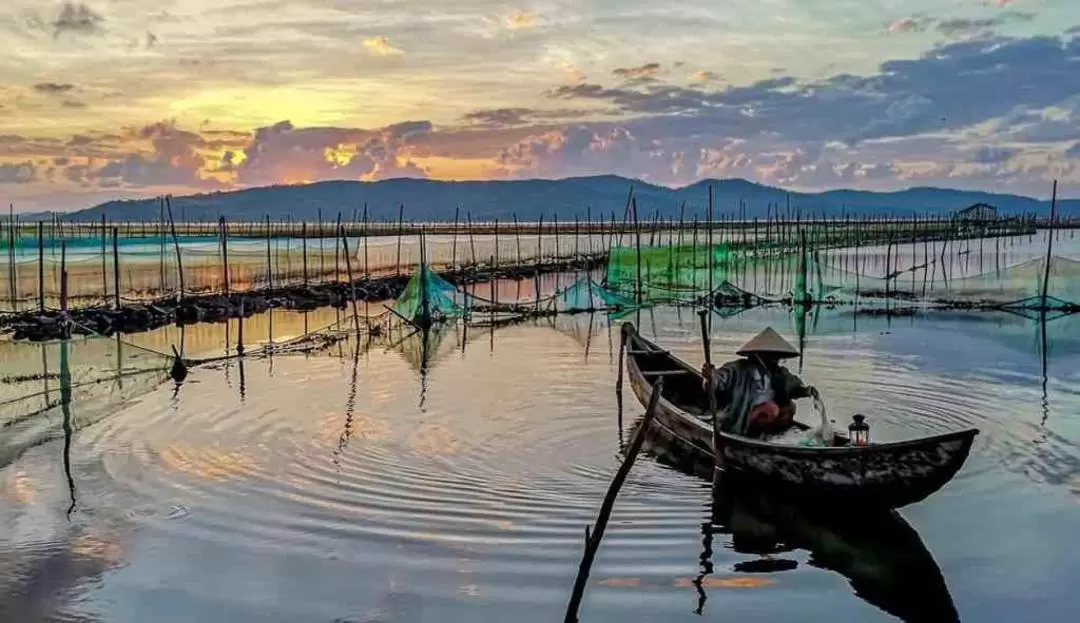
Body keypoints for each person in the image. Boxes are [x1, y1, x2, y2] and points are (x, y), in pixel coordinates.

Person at [701, 327, 817, 438]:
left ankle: (774, 437)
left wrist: (806, 391)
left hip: (769, 419)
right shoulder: (738, 368)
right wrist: (711, 377)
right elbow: (718, 381)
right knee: (771, 409)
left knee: (790, 407)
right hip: (742, 420)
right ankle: (753, 437)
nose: (775, 359)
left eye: (777, 356)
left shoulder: (779, 373)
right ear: (760, 354)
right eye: (771, 356)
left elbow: (794, 387)